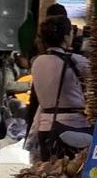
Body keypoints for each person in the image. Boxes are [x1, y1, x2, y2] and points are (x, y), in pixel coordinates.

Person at [23, 10, 91, 163]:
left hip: (45, 127)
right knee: (70, 175)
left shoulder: (37, 62)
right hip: (72, 127)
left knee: (50, 173)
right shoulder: (76, 61)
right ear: (66, 37)